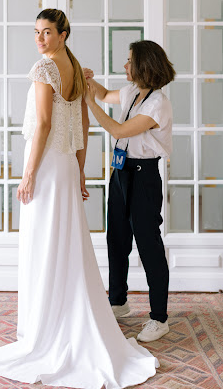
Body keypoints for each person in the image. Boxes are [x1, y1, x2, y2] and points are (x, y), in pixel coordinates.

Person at [0, 10, 158, 389]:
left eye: (47, 32)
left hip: (46, 165)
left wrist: (29, 173)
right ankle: (62, 320)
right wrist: (79, 168)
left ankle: (43, 330)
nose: (40, 39)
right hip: (64, 165)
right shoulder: (76, 70)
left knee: (43, 244)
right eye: (36, 32)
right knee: (66, 243)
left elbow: (44, 124)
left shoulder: (43, 69)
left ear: (63, 34)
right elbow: (83, 125)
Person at [84, 40, 176, 343]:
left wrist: (90, 103)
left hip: (144, 176)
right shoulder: (132, 93)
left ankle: (158, 318)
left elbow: (120, 130)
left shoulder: (157, 102)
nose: (124, 66)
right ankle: (118, 302)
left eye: (128, 61)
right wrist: (88, 80)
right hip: (121, 174)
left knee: (148, 244)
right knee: (117, 239)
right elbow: (103, 93)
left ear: (143, 65)